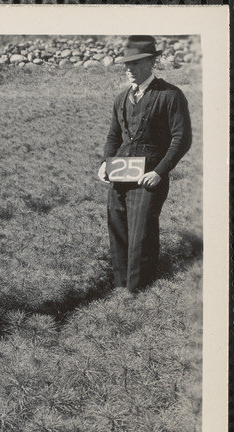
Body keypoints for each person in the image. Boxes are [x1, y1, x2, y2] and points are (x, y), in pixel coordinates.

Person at [97, 35, 192, 292]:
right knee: (118, 233)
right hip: (119, 176)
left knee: (141, 237)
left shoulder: (170, 95)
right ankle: (121, 289)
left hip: (147, 179)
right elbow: (112, 137)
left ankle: (139, 293)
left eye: (136, 63)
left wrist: (159, 173)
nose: (130, 69)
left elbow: (181, 138)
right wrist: (106, 163)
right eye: (127, 64)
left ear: (151, 62)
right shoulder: (121, 98)